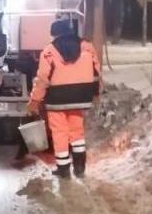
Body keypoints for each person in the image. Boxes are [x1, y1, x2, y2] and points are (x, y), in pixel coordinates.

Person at [27, 19, 101, 178]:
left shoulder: (49, 51)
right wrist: (96, 93)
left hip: (57, 99)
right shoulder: (87, 47)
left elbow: (42, 79)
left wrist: (34, 101)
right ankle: (80, 167)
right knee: (77, 131)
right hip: (80, 97)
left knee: (60, 133)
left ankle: (63, 169)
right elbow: (96, 72)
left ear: (54, 34)